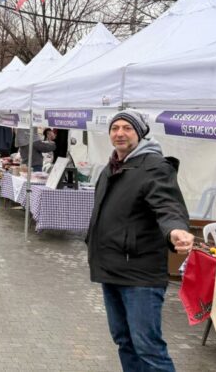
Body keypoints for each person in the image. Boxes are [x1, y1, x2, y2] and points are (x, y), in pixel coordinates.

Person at [86, 110, 194, 372]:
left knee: (148, 347)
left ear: (141, 133)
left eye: (127, 128)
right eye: (115, 128)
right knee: (124, 341)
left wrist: (175, 229)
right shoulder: (111, 167)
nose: (120, 133)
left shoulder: (154, 166)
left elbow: (167, 205)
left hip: (140, 274)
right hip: (110, 268)